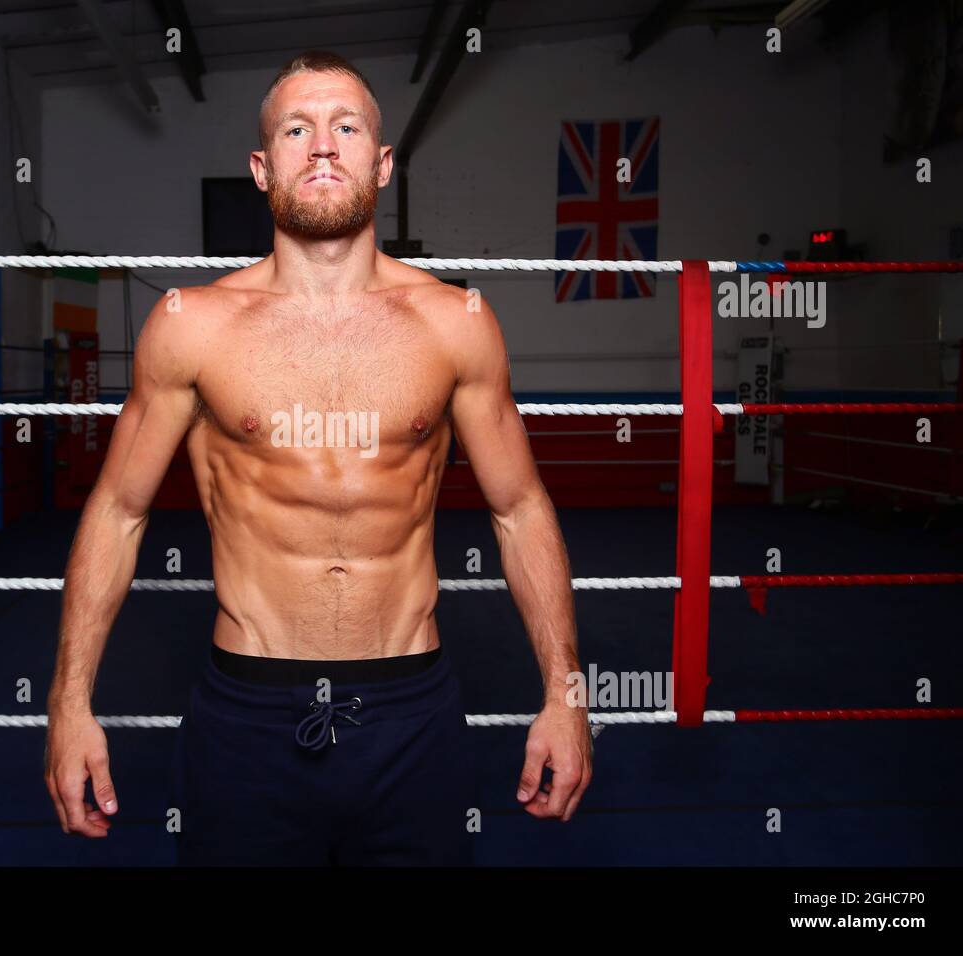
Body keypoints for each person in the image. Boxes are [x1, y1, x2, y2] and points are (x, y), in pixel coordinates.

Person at [45, 50, 591, 865]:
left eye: (347, 126)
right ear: (263, 169)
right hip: (247, 714)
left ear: (382, 160)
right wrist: (68, 703)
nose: (324, 145)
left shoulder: (456, 321)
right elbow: (119, 513)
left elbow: (518, 509)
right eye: (298, 129)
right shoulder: (192, 324)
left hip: (413, 712)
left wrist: (566, 694)